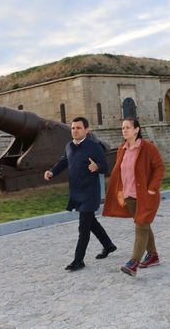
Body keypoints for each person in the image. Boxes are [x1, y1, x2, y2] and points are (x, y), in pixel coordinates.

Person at [44, 116, 117, 271]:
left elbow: (106, 167)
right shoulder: (69, 146)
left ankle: (78, 260)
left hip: (90, 193)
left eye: (78, 128)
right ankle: (108, 245)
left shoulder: (94, 147)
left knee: (83, 226)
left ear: (86, 130)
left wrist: (97, 167)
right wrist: (52, 172)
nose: (75, 131)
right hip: (76, 192)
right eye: (73, 128)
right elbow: (64, 162)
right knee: (91, 222)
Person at [103, 118, 165, 277]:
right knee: (143, 225)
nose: (124, 130)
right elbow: (121, 172)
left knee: (140, 227)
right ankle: (153, 256)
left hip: (146, 196)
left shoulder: (148, 148)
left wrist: (152, 188)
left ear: (137, 129)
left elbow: (159, 168)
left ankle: (133, 263)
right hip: (129, 195)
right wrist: (120, 191)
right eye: (122, 128)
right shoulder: (122, 149)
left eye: (128, 127)